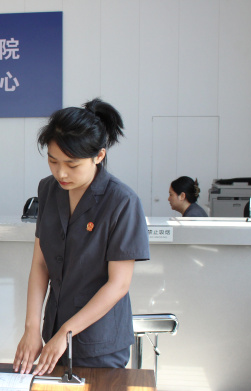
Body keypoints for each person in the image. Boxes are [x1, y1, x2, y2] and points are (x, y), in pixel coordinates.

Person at [13, 98, 150, 376]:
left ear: (99, 156)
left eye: (72, 165)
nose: (61, 173)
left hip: (99, 341)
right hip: (54, 331)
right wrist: (32, 328)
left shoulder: (122, 201)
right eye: (53, 161)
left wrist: (66, 332)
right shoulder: (48, 190)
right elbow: (41, 264)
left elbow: (118, 284)